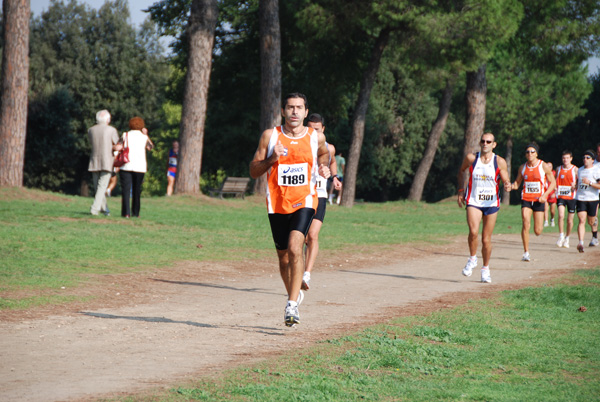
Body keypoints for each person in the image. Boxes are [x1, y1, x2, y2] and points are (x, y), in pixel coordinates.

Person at [250, 93, 331, 327]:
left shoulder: (316, 137)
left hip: (305, 200)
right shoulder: (270, 136)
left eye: (299, 108)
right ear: (283, 111)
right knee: (283, 257)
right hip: (277, 203)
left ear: (306, 112)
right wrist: (272, 159)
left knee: (296, 246)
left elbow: (324, 154)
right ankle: (293, 294)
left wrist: (324, 167)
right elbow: (254, 170)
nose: (295, 112)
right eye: (290, 107)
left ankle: (292, 305)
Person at [457, 133, 511, 283]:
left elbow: (505, 179)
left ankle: (485, 268)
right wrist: (461, 191)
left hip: (491, 203)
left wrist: (507, 185)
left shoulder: (499, 161)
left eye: (489, 141)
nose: (485, 143)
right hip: (474, 200)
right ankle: (472, 258)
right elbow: (461, 171)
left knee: (486, 239)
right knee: (473, 232)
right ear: (480, 142)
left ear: (494, 144)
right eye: (483, 141)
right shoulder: (471, 158)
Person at [302, 114, 342, 291]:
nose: (313, 132)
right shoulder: (300, 145)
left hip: (319, 195)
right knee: (300, 237)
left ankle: (306, 275)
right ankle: (299, 267)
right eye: (310, 128)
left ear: (323, 130)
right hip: (301, 196)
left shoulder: (329, 147)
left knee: (313, 235)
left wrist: (335, 177)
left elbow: (332, 161)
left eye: (316, 129)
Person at [511, 142, 556, 262]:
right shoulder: (522, 167)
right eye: (527, 152)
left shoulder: (543, 166)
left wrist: (545, 195)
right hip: (526, 198)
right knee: (525, 222)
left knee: (538, 230)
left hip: (539, 200)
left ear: (536, 153)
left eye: (532, 151)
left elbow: (553, 182)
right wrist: (510, 186)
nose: (530, 154)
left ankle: (536, 233)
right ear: (525, 154)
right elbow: (517, 183)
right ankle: (526, 252)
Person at [87, 109, 121, 216]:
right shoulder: (111, 130)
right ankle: (94, 209)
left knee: (98, 187)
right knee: (102, 187)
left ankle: (105, 209)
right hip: (107, 160)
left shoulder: (90, 130)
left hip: (94, 160)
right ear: (108, 119)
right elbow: (117, 145)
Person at [119, 118, 154, 218]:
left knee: (126, 190)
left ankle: (126, 213)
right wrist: (146, 134)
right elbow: (150, 147)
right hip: (140, 167)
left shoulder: (125, 135)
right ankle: (136, 213)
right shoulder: (143, 137)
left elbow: (119, 146)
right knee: (137, 190)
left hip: (126, 165)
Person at [575, 150, 600, 252]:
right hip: (581, 198)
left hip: (593, 199)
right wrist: (575, 186)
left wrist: (589, 183)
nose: (585, 160)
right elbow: (579, 183)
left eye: (588, 158)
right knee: (581, 220)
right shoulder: (580, 170)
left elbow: (599, 186)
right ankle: (581, 243)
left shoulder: (596, 170)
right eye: (584, 158)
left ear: (593, 160)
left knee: (591, 221)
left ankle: (594, 236)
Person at [555, 150, 578, 248]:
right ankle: (561, 235)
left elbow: (580, 182)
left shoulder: (575, 169)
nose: (565, 160)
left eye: (567, 158)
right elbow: (555, 180)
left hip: (571, 197)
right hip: (561, 196)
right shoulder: (558, 169)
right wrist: (555, 187)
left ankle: (567, 238)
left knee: (569, 220)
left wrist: (575, 185)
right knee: (561, 215)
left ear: (571, 159)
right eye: (564, 158)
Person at [544, 162, 557, 227]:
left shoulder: (554, 173)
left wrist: (555, 193)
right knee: (545, 208)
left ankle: (552, 219)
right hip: (546, 193)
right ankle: (546, 221)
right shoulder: (543, 174)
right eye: (548, 166)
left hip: (552, 194)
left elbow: (556, 183)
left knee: (552, 210)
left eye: (550, 166)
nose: (549, 168)